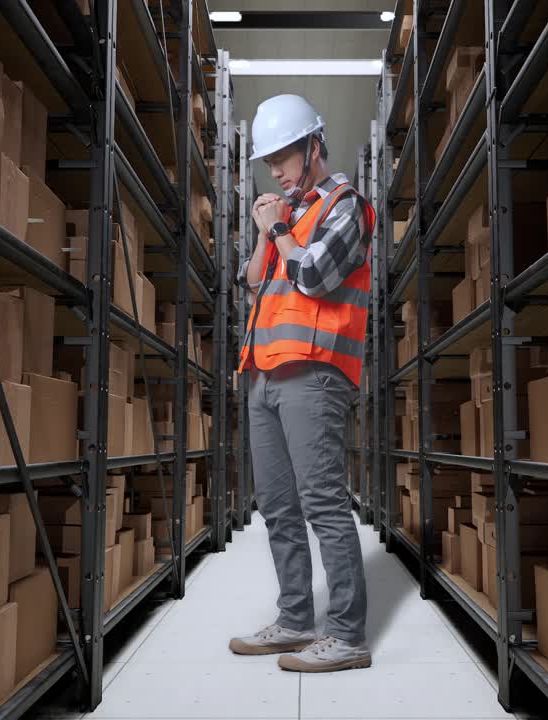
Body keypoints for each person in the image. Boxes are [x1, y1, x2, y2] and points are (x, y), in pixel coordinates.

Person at [230, 94, 376, 673]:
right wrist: (267, 234)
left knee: (323, 503)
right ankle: (295, 620)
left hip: (315, 374)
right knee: (278, 506)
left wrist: (283, 227)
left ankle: (346, 635)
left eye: (285, 159)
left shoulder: (347, 205)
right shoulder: (283, 219)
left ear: (314, 148)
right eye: (270, 164)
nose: (278, 172)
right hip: (264, 374)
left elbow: (314, 275)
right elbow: (251, 282)